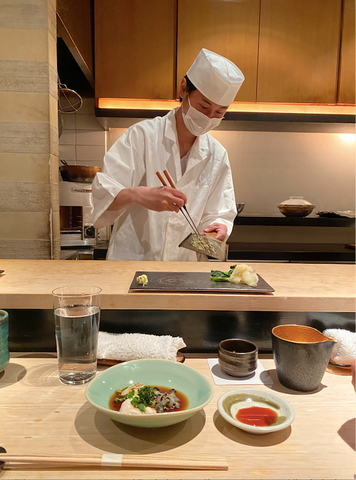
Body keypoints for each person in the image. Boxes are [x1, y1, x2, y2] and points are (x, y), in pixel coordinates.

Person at [92, 48, 244, 261]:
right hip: (132, 263)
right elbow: (102, 195)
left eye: (219, 112)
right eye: (203, 106)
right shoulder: (142, 136)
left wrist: (218, 227)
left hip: (186, 268)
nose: (209, 117)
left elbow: (220, 211)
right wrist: (139, 195)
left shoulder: (216, 155)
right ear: (184, 89)